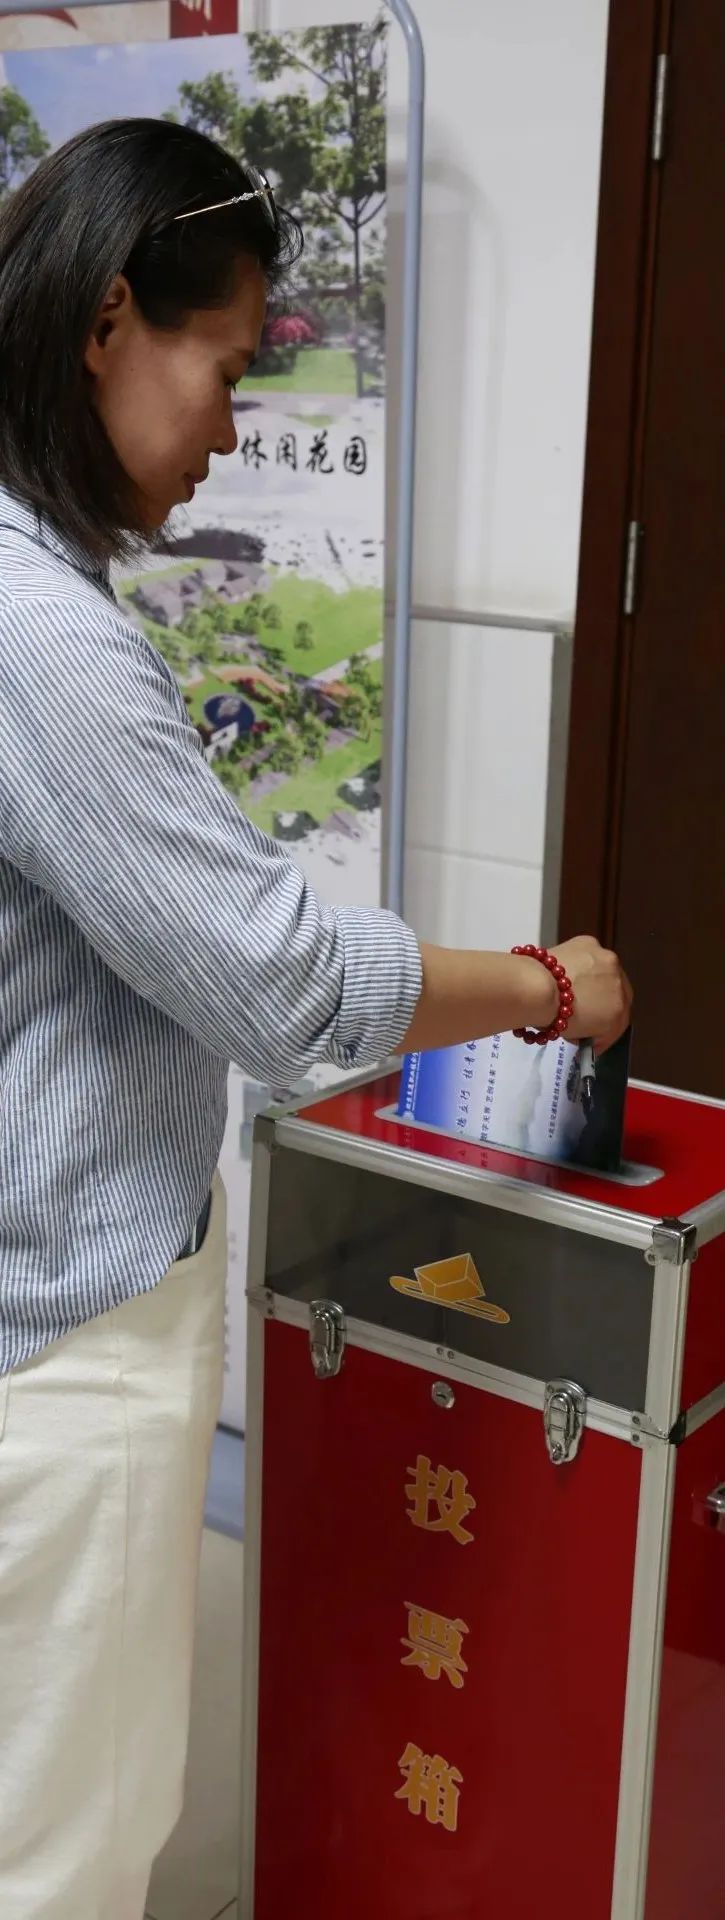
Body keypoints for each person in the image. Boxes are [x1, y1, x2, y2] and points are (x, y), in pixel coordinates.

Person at [0, 117, 632, 1919]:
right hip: (57, 1342)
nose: (231, 429)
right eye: (225, 365)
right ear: (108, 323)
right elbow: (274, 979)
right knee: (61, 1845)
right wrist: (542, 987)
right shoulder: (41, 636)